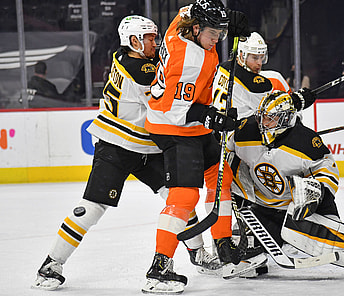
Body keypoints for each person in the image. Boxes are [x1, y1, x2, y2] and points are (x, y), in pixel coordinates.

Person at [31, 14, 220, 291]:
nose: (155, 43)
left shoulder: (128, 57)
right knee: (92, 209)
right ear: (133, 41)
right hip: (116, 147)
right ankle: (51, 264)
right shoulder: (140, 68)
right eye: (149, 38)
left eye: (156, 37)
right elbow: (172, 96)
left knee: (178, 199)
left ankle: (197, 253)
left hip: (147, 147)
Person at [142, 1, 267, 294]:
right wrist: (211, 116)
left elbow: (191, 6)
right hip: (172, 126)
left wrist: (225, 16)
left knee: (219, 179)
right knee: (184, 197)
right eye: (214, 34)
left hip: (191, 121)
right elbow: (175, 111)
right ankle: (159, 269)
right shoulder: (188, 59)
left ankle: (225, 250)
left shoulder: (182, 24)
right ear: (197, 29)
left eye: (222, 34)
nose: (218, 40)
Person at [226, 90, 344, 281]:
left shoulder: (305, 142)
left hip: (299, 207)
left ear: (285, 119)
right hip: (263, 205)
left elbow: (328, 169)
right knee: (240, 241)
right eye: (262, 118)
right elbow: (227, 153)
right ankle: (254, 259)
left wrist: (316, 192)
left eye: (270, 119)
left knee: (325, 240)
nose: (264, 124)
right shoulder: (246, 131)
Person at [212, 31, 292, 120]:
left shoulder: (222, 68)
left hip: (219, 128)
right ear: (242, 56)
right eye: (255, 58)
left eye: (261, 57)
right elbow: (273, 114)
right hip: (240, 131)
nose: (259, 63)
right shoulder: (253, 84)